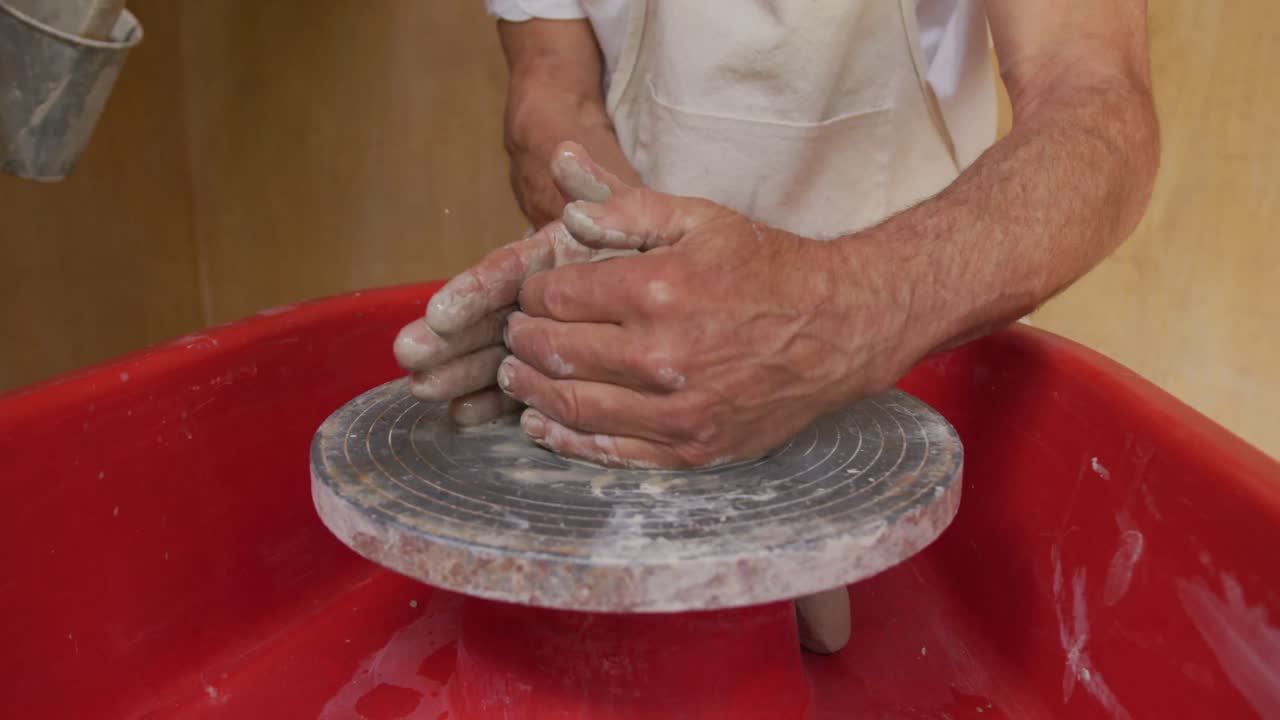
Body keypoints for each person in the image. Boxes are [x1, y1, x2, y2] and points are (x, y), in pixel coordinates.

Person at [392, 0, 1159, 654]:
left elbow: (1096, 104)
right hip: (639, 387)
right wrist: (614, 283)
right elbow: (549, 91)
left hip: (920, 365)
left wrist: (831, 320)